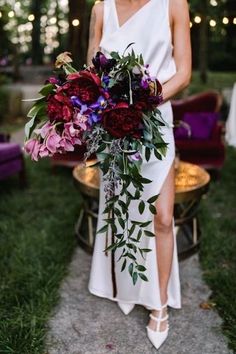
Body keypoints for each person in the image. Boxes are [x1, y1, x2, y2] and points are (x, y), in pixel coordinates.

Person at [86, 0, 191, 350]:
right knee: (123, 209)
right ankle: (126, 286)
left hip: (155, 123)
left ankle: (159, 302)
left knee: (161, 217)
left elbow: (183, 73)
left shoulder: (175, 4)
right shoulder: (101, 9)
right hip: (114, 128)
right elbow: (92, 73)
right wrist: (107, 107)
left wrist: (141, 103)